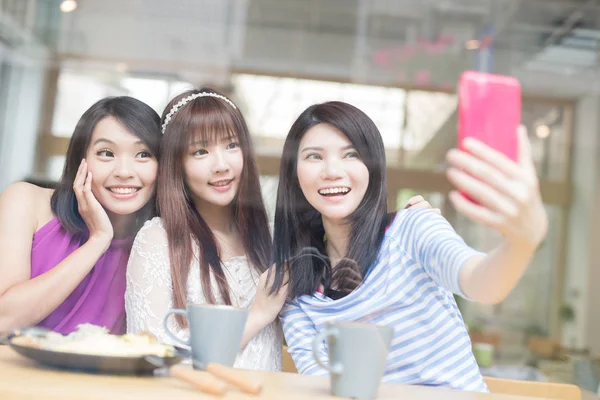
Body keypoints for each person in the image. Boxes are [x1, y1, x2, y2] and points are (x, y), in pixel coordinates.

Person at [270, 101, 547, 391]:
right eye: (314, 156)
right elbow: (321, 386)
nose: (332, 171)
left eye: (351, 154)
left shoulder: (412, 229)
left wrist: (522, 244)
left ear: (372, 168)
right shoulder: (297, 285)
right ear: (294, 174)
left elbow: (480, 281)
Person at [125, 89, 285, 371]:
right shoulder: (158, 240)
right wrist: (258, 315)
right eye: (201, 151)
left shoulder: (273, 240)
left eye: (232, 145)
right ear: (178, 164)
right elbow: (155, 360)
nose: (221, 165)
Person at [0, 96, 162, 335]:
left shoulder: (155, 246)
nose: (124, 172)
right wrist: (98, 240)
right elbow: (3, 321)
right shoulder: (25, 201)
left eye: (143, 154)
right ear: (81, 160)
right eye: (106, 153)